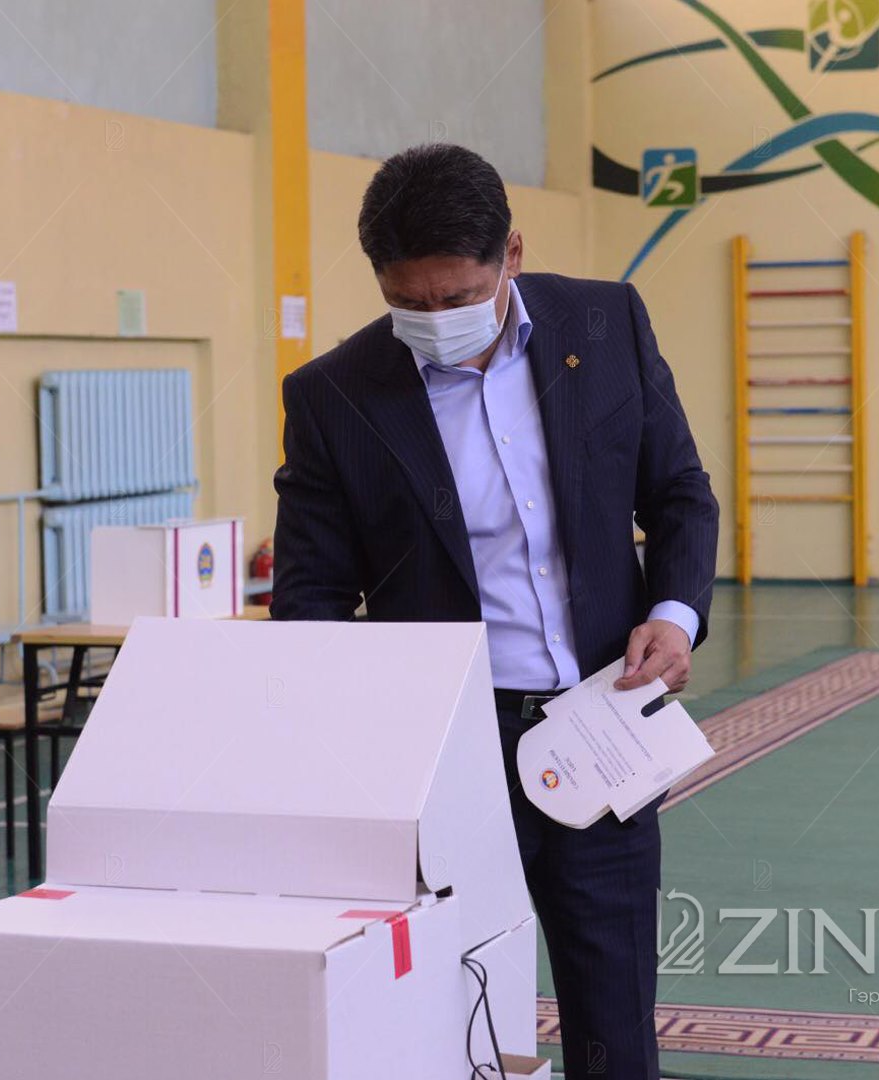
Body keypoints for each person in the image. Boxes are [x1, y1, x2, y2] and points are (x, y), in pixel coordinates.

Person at [270, 143, 718, 1079]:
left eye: (459, 297)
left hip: (601, 728)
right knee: (450, 1017)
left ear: (511, 252)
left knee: (614, 1019)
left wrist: (675, 616)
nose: (437, 321)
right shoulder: (334, 397)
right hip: (445, 758)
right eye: (411, 303)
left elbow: (679, 494)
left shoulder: (606, 324)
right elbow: (311, 600)